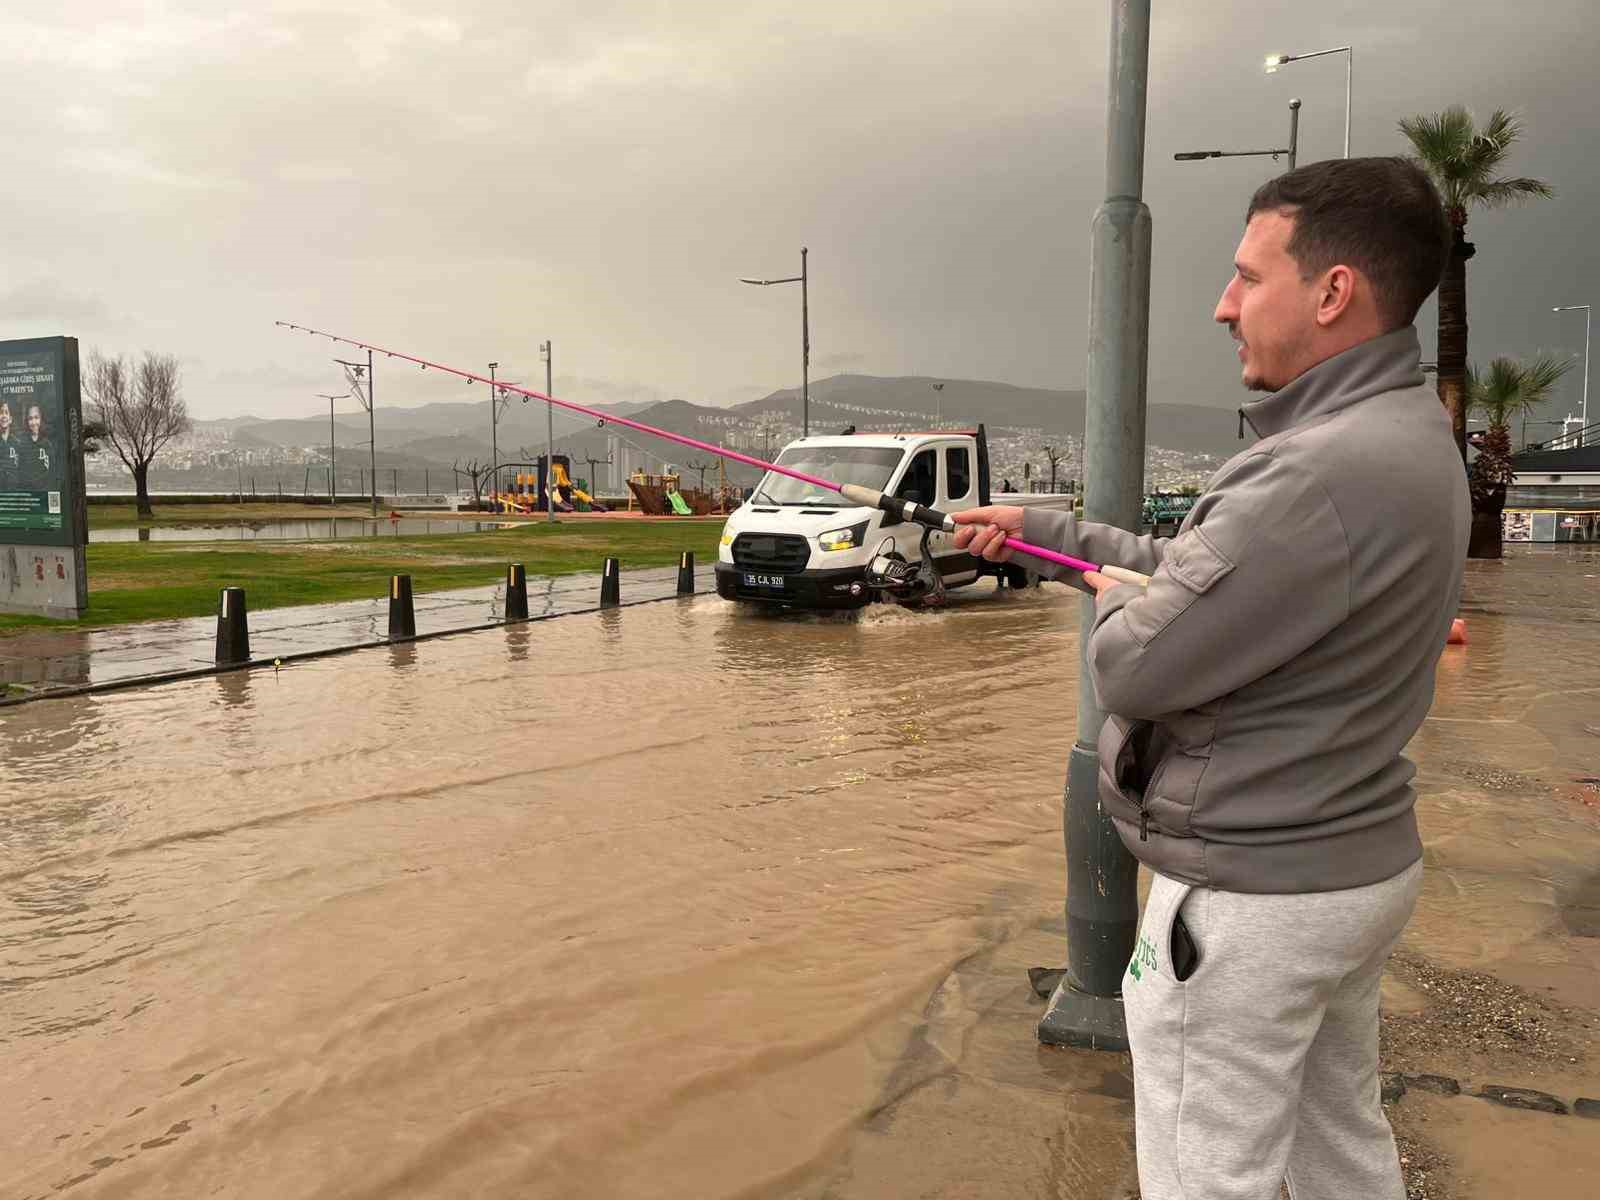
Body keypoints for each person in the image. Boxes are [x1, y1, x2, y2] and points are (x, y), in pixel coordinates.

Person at [953, 157, 1466, 1200]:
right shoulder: (1404, 436)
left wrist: (1115, 608)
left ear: (1330, 293)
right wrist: (1041, 534)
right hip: (1348, 871)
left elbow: (1134, 667)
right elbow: (1209, 579)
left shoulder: (1309, 473)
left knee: (1204, 1173)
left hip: (1250, 900)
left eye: (1246, 277)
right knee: (1339, 1149)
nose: (1222, 305)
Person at [18, 404, 55, 492]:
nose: (34, 422)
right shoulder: (21, 443)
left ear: (41, 419)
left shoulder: (47, 444)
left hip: (44, 492)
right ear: (27, 421)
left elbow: (52, 472)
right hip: (27, 493)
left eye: (36, 417)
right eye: (30, 419)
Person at [0, 401, 18, 489]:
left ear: (10, 419)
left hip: (14, 493)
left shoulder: (17, 444)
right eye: (1, 412)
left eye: (6, 412)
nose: (3, 416)